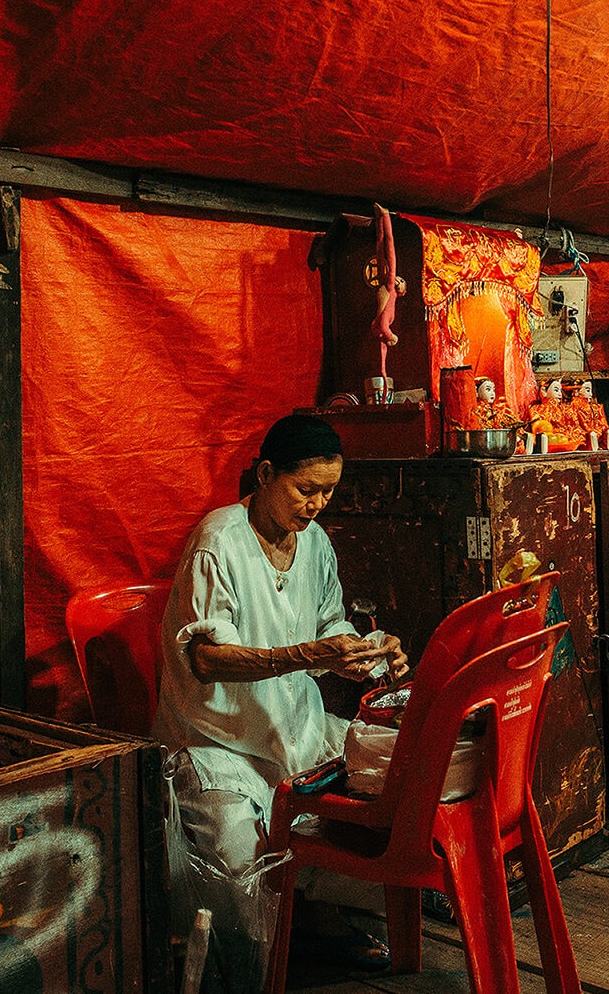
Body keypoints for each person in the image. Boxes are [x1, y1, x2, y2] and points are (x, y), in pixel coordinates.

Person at [156, 414, 407, 982]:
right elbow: (204, 659)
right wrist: (306, 656)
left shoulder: (314, 544)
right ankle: (264, 953)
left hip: (293, 728)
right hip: (216, 743)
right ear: (266, 474)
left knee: (389, 785)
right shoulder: (219, 540)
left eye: (328, 492)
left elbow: (328, 623)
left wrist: (372, 651)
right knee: (242, 868)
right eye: (306, 489)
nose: (317, 504)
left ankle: (313, 920)